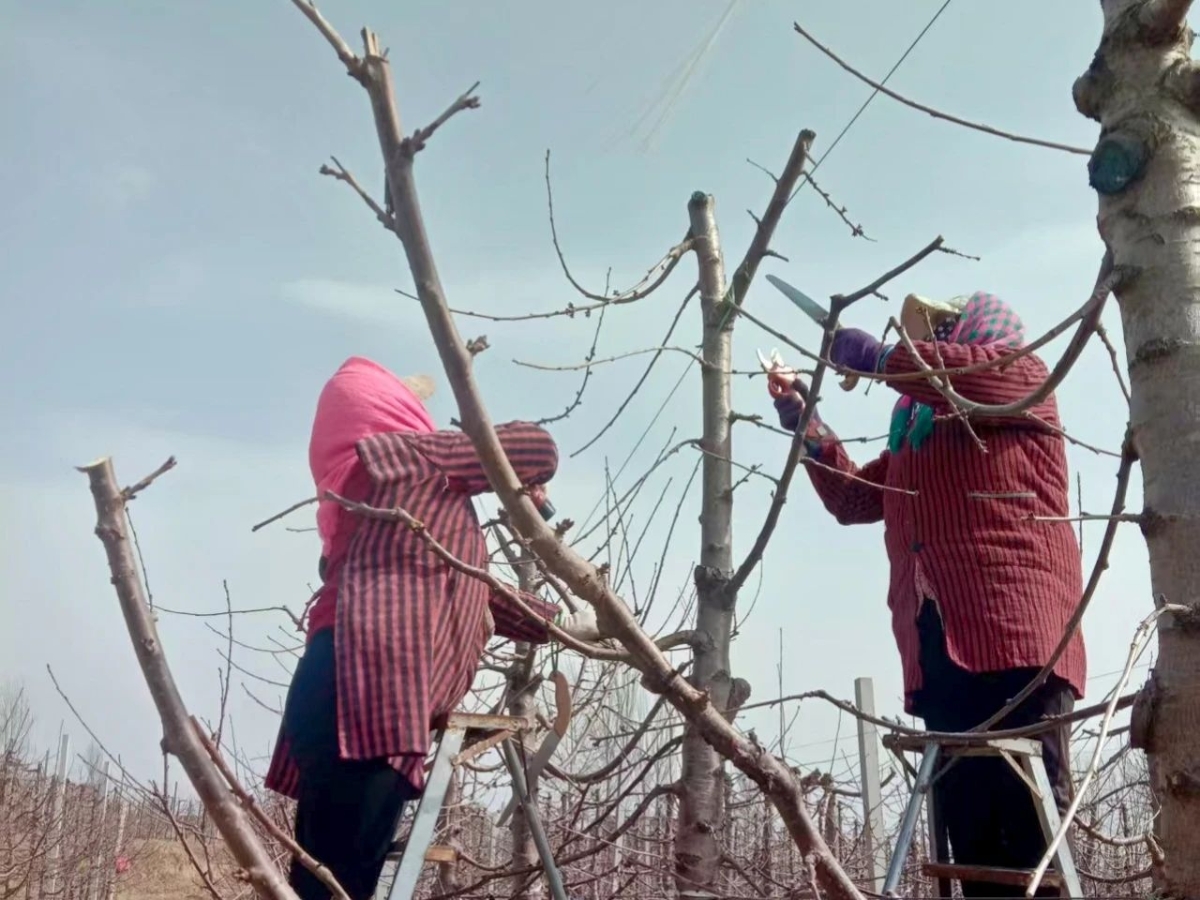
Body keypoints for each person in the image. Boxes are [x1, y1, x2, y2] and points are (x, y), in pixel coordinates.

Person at [769, 292, 1086, 898]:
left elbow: (960, 375)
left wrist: (876, 356)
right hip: (942, 648)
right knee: (971, 837)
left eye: (944, 330)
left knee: (1030, 837)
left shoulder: (1021, 378)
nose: (932, 342)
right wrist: (805, 421)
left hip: (1017, 639)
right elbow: (853, 498)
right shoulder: (922, 436)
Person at [265, 356, 598, 900]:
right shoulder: (404, 458)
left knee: (326, 882)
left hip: (345, 699)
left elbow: (469, 586)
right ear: (386, 413)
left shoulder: (384, 495)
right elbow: (537, 448)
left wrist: (562, 624)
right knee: (339, 886)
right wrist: (511, 474)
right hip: (367, 701)